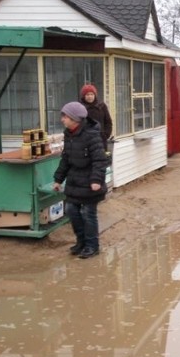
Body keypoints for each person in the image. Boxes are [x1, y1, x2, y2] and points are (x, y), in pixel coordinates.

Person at [53, 102, 109, 259]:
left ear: (74, 118)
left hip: (91, 182)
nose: (62, 119)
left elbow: (100, 160)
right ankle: (81, 242)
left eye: (65, 116)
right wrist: (58, 179)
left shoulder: (91, 135)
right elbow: (66, 158)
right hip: (74, 181)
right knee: (71, 210)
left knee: (87, 213)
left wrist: (96, 180)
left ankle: (92, 245)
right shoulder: (68, 134)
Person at [79, 84, 113, 151]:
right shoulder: (80, 107)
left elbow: (108, 122)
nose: (90, 97)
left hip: (101, 140)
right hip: (86, 141)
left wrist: (105, 135)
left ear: (95, 95)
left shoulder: (102, 106)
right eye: (87, 95)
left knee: (101, 159)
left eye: (92, 94)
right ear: (84, 96)